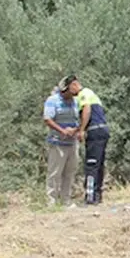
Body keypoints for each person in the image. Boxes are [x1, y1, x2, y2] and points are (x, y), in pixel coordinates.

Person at [42, 75, 81, 207]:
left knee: (70, 172)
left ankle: (66, 201)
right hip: (57, 143)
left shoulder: (75, 102)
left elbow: (79, 119)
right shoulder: (53, 100)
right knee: (54, 172)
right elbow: (47, 119)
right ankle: (51, 202)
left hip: (72, 143)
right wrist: (62, 131)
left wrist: (75, 130)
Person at [76, 81, 110, 205]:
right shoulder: (92, 94)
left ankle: (90, 196)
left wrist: (82, 130)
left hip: (94, 131)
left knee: (91, 165)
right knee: (99, 164)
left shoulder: (83, 94)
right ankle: (97, 195)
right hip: (103, 130)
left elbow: (86, 109)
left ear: (74, 85)